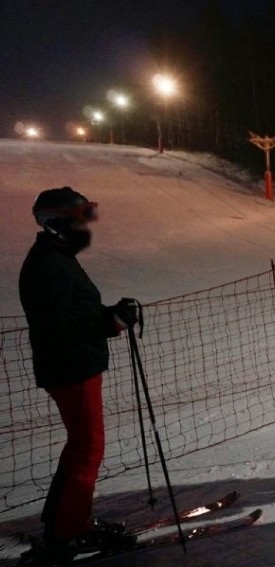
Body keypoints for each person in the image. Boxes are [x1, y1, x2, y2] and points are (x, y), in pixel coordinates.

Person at [19, 187, 138, 560]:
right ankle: (69, 532)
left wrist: (109, 316)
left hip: (74, 364)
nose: (85, 226)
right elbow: (59, 324)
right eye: (79, 218)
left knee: (81, 446)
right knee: (88, 448)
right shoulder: (48, 264)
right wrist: (109, 321)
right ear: (56, 222)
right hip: (71, 368)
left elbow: (75, 311)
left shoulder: (57, 256)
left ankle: (64, 521)